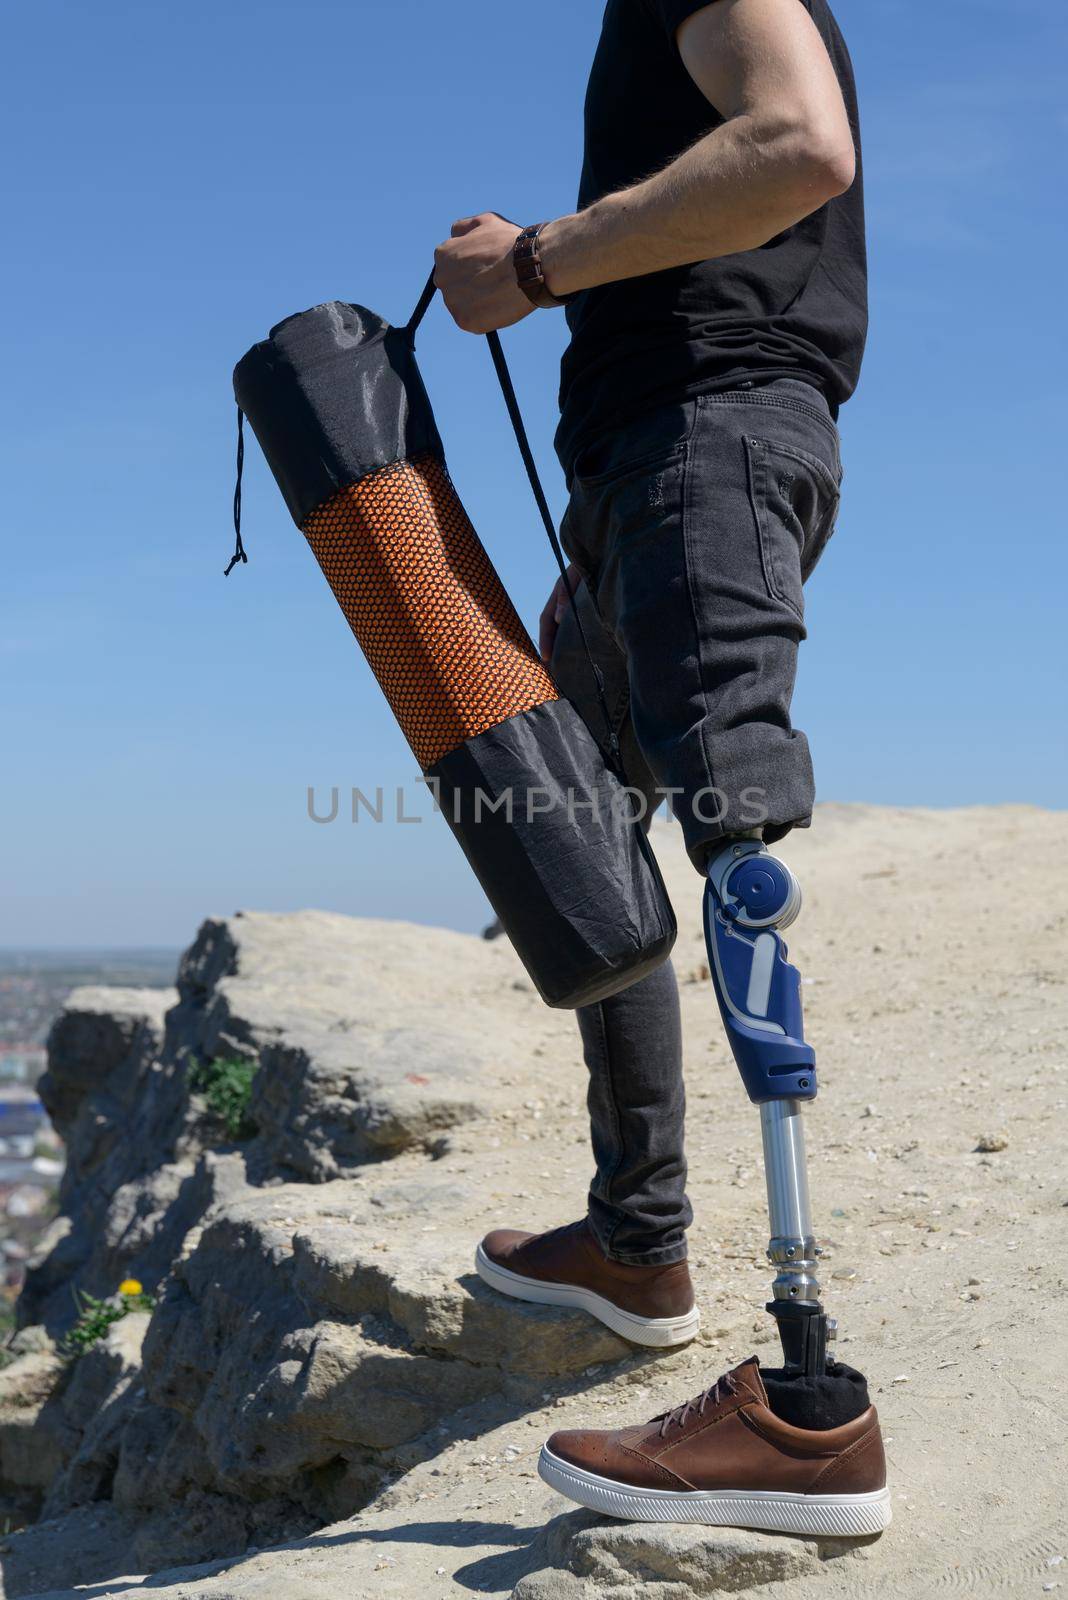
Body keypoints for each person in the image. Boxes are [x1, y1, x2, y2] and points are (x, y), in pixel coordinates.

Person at [434, 0, 889, 1534]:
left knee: (736, 846)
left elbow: (797, 145)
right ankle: (641, 1247)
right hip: (645, 469)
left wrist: (538, 263)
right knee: (579, 843)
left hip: (710, 441)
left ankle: (812, 1409)